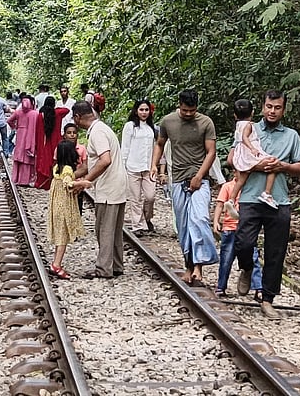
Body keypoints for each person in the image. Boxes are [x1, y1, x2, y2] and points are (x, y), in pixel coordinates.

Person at [232, 90, 300, 319]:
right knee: (244, 242)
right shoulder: (249, 129)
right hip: (250, 197)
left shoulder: (291, 135)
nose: (272, 111)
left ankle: (267, 299)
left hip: (280, 200)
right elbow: (231, 158)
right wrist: (258, 165)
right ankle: (246, 268)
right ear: (262, 107)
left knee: (276, 252)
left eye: (277, 107)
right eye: (269, 106)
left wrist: (281, 166)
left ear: (283, 109)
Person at [150, 89, 218, 286]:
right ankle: (189, 266)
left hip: (200, 180)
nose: (189, 114)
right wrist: (154, 164)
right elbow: (160, 143)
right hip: (178, 180)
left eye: (192, 110)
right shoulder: (168, 121)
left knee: (199, 219)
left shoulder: (206, 122)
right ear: (179, 105)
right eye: (185, 110)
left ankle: (200, 265)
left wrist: (199, 176)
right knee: (183, 227)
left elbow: (211, 152)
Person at [68, 101, 126, 279]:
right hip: (117, 185)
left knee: (104, 229)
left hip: (109, 187)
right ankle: (116, 265)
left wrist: (86, 181)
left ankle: (103, 268)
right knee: (115, 229)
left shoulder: (97, 133)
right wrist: (72, 175)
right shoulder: (101, 129)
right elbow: (91, 162)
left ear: (78, 117)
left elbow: (104, 160)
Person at [213, 170, 263, 298]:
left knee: (253, 258)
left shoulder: (251, 188)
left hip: (247, 228)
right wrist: (216, 222)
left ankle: (259, 288)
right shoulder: (227, 186)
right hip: (230, 228)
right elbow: (219, 205)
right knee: (226, 258)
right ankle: (221, 286)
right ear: (234, 173)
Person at [223, 99, 278, 216]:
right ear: (252, 112)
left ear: (235, 115)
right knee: (273, 163)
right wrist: (252, 148)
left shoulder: (238, 125)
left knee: (241, 180)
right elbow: (244, 138)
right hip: (248, 153)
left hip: (240, 154)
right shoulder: (249, 125)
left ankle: (231, 200)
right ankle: (267, 193)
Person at [47, 123, 86, 279]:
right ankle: (56, 265)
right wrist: (83, 183)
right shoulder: (68, 170)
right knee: (63, 238)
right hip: (63, 208)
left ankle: (56, 262)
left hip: (56, 206)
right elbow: (69, 184)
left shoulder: (57, 168)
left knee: (60, 236)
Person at [120, 99, 157, 236]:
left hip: (148, 168)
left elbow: (155, 148)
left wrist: (156, 165)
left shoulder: (151, 128)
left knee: (150, 197)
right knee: (135, 198)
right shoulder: (130, 126)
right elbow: (125, 147)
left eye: (146, 110)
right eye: (141, 110)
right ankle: (137, 225)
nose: (144, 112)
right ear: (136, 111)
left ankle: (147, 219)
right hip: (132, 167)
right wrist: (123, 166)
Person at [34, 96, 71, 189]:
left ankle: (42, 182)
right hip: (56, 141)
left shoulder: (41, 116)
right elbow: (66, 110)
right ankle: (54, 181)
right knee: (55, 160)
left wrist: (37, 145)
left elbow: (38, 132)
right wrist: (55, 108)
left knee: (43, 161)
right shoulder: (57, 113)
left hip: (44, 142)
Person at [8, 95, 39, 186]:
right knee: (27, 158)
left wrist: (16, 128)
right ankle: (26, 179)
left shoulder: (18, 112)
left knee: (19, 156)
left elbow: (9, 121)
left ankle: (17, 178)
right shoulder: (34, 113)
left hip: (20, 135)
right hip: (31, 135)